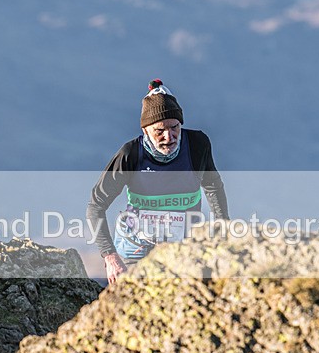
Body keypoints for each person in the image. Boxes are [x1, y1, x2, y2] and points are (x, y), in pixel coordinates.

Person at [86, 79, 229, 284]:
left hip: (183, 241)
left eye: (174, 127)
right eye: (159, 131)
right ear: (145, 131)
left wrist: (223, 231)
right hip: (135, 244)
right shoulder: (130, 154)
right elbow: (95, 205)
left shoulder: (197, 145)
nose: (168, 136)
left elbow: (213, 186)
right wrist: (110, 256)